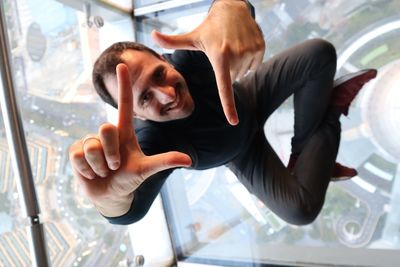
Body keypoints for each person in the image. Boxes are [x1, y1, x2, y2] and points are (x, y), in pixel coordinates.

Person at [69, 0, 377, 225]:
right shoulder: (152, 142)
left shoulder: (187, 60)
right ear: (138, 118)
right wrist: (110, 201)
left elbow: (229, 23)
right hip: (243, 153)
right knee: (301, 211)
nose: (168, 94)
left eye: (160, 74)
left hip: (250, 96)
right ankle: (331, 113)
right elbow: (130, 210)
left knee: (318, 53)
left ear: (166, 59)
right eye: (146, 97)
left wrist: (231, 9)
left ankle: (305, 157)